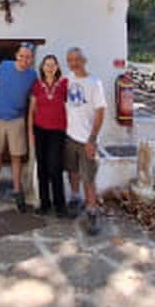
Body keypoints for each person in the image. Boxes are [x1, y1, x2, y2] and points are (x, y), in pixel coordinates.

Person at [0, 42, 37, 212]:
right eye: (21, 55)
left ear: (32, 58)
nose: (24, 59)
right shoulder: (4, 66)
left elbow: (35, 98)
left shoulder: (33, 75)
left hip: (17, 120)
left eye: (28, 57)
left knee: (16, 156)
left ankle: (17, 190)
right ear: (16, 55)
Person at [63, 47, 107, 236]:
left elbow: (100, 112)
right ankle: (75, 198)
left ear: (84, 60)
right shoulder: (67, 80)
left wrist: (92, 139)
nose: (74, 63)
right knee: (72, 171)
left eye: (77, 59)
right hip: (69, 137)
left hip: (86, 140)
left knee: (88, 177)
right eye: (70, 60)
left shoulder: (94, 83)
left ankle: (92, 211)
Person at [27, 54, 69, 217]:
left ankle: (60, 205)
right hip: (40, 130)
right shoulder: (37, 85)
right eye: (47, 65)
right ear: (42, 67)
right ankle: (44, 204)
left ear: (57, 67)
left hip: (58, 131)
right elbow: (32, 110)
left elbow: (72, 106)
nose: (50, 68)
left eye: (53, 65)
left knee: (55, 167)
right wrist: (30, 132)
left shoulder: (64, 84)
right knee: (42, 168)